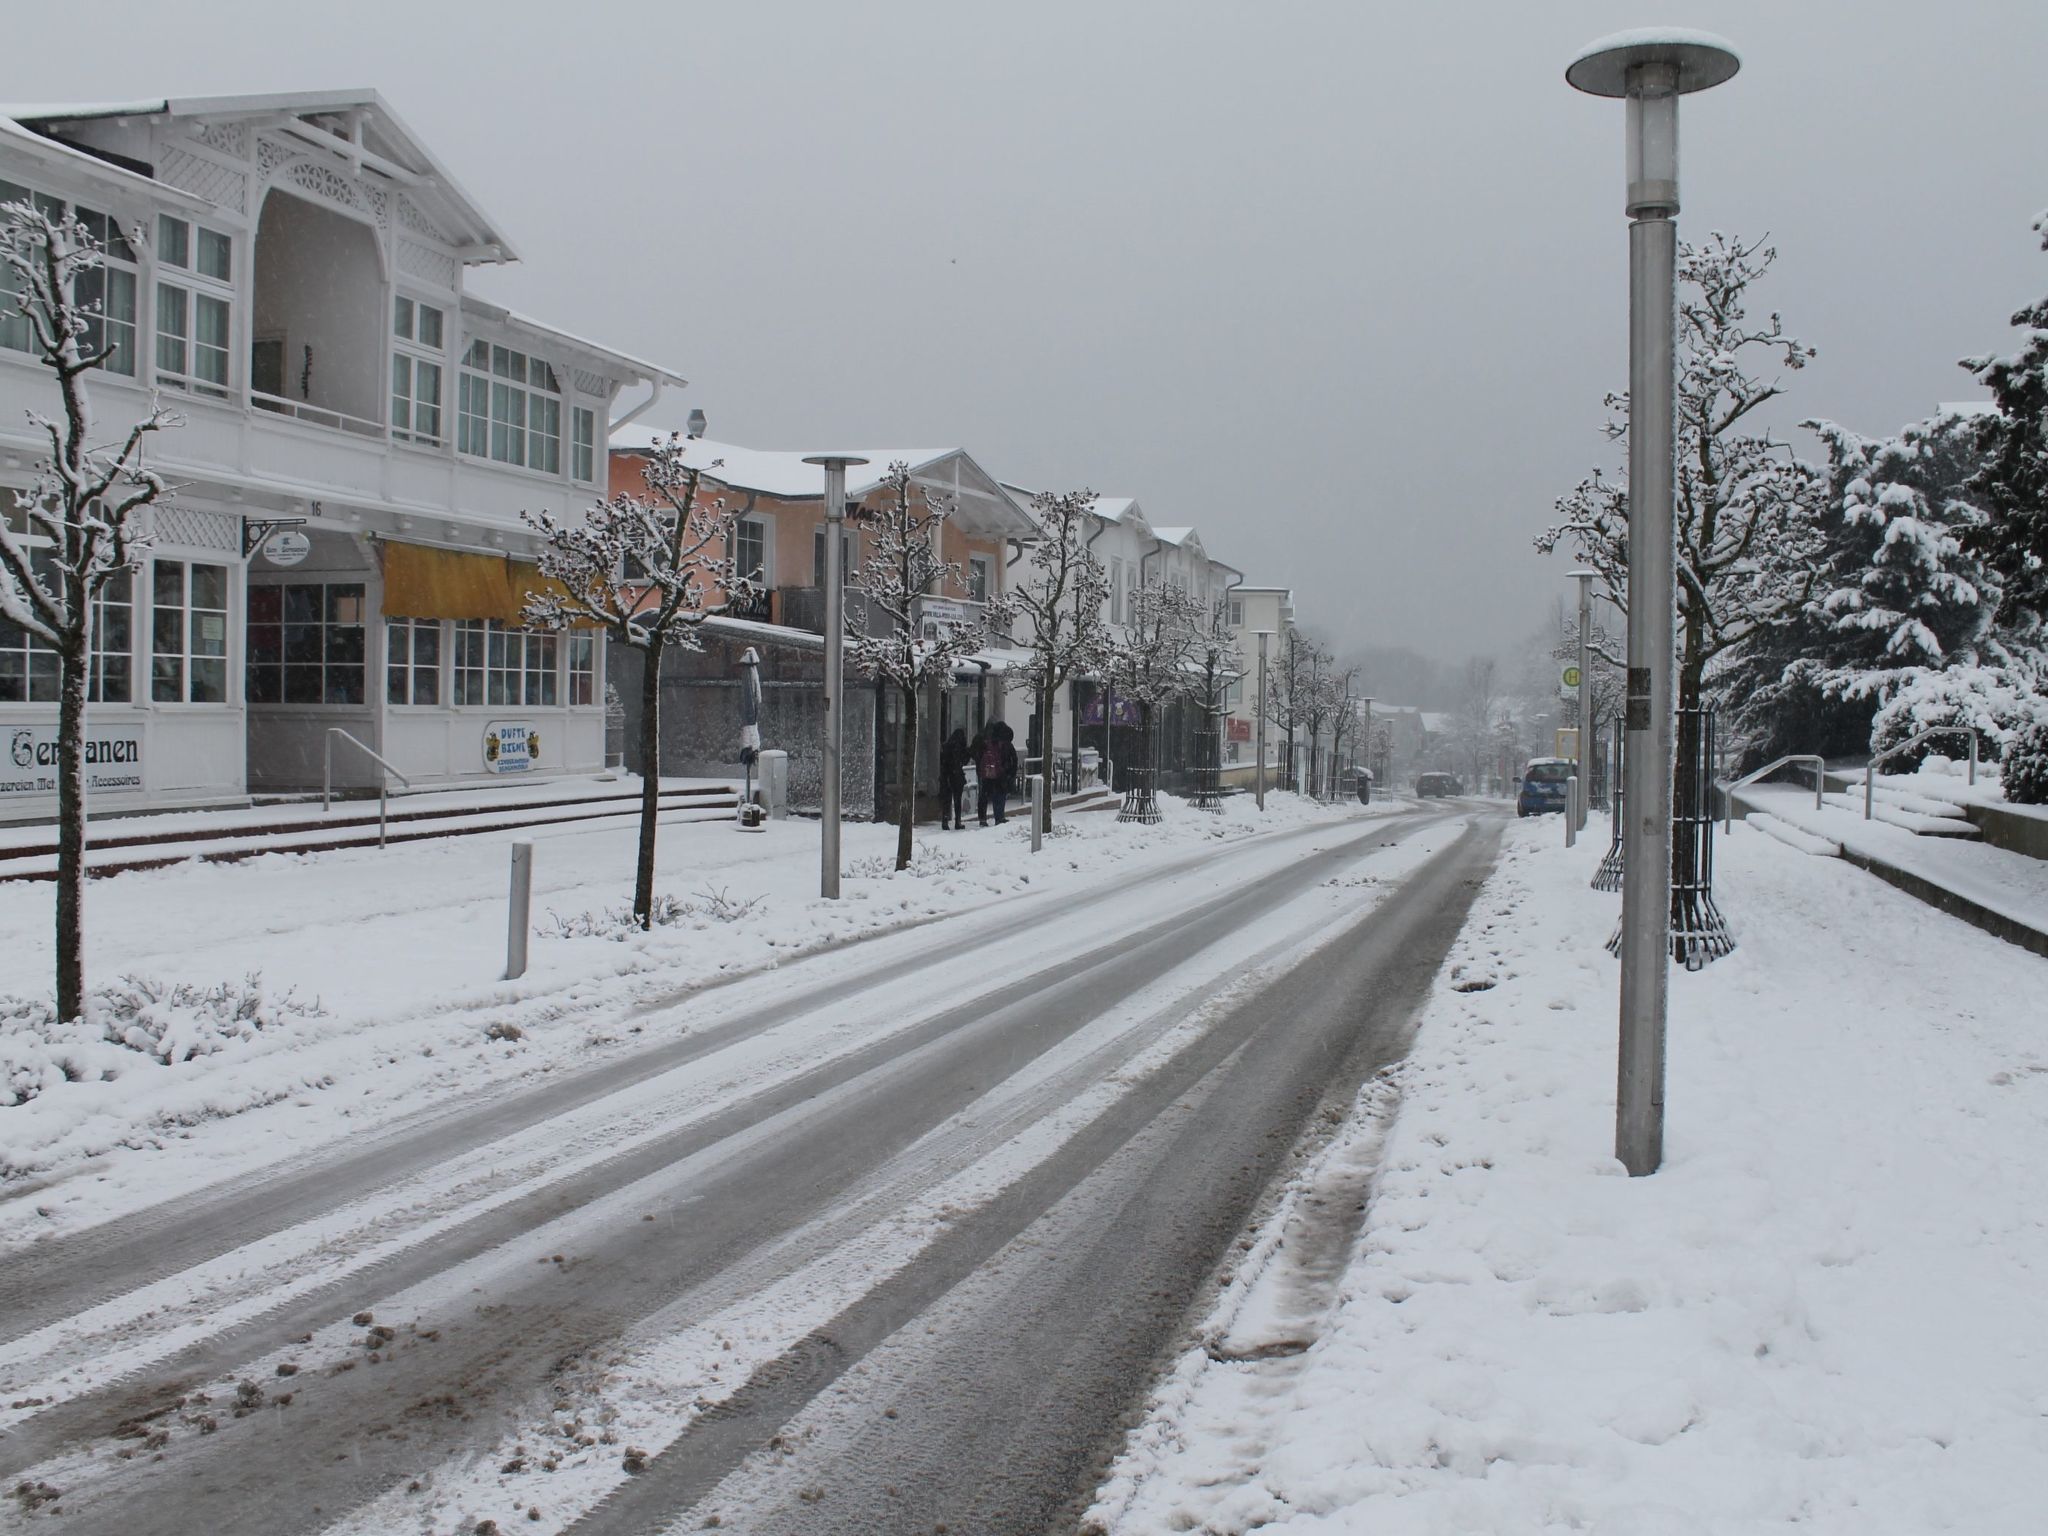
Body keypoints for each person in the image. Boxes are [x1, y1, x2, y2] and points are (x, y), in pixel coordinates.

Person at [939, 727, 970, 830]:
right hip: (956, 776)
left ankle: (945, 820)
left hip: (946, 775)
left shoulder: (946, 746)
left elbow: (942, 762)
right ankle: (958, 821)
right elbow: (964, 761)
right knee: (957, 799)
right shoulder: (960, 747)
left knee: (946, 800)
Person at [976, 726, 1007, 826]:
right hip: (995, 774)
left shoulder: (982, 742)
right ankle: (998, 817)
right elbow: (1001, 758)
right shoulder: (998, 743)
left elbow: (977, 756)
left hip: (985, 773)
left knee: (983, 796)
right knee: (996, 795)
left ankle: (982, 818)